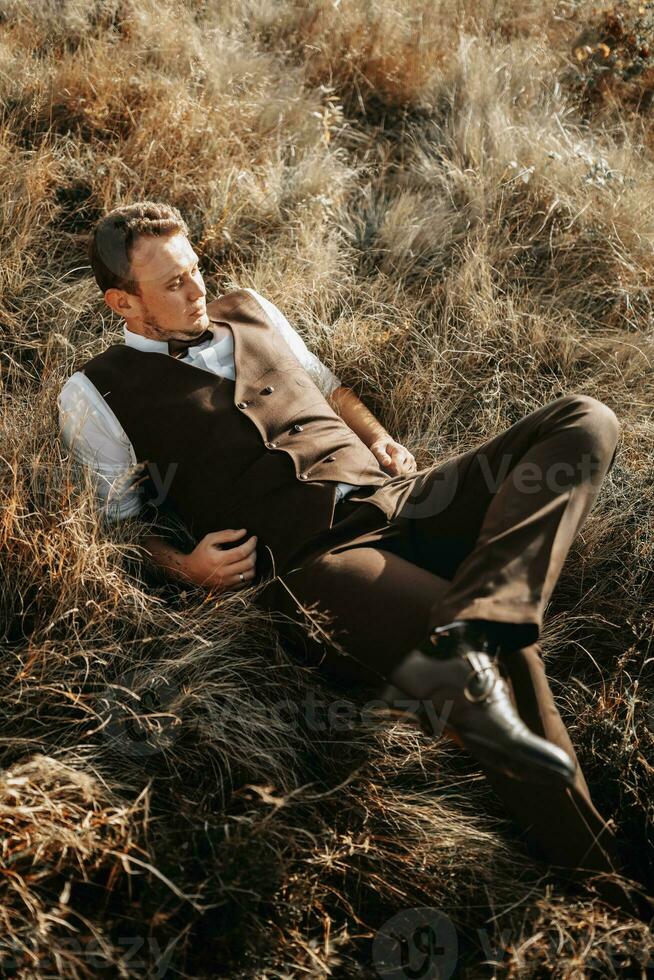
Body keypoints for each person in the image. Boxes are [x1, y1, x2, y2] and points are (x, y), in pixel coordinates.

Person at [58, 201, 649, 918]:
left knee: (585, 418)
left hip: (402, 499)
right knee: (478, 672)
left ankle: (498, 603)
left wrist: (379, 437)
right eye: (173, 284)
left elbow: (328, 384)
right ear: (123, 301)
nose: (197, 290)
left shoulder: (251, 308)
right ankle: (600, 882)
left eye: (196, 270)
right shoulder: (94, 392)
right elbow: (117, 527)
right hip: (317, 564)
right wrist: (187, 568)